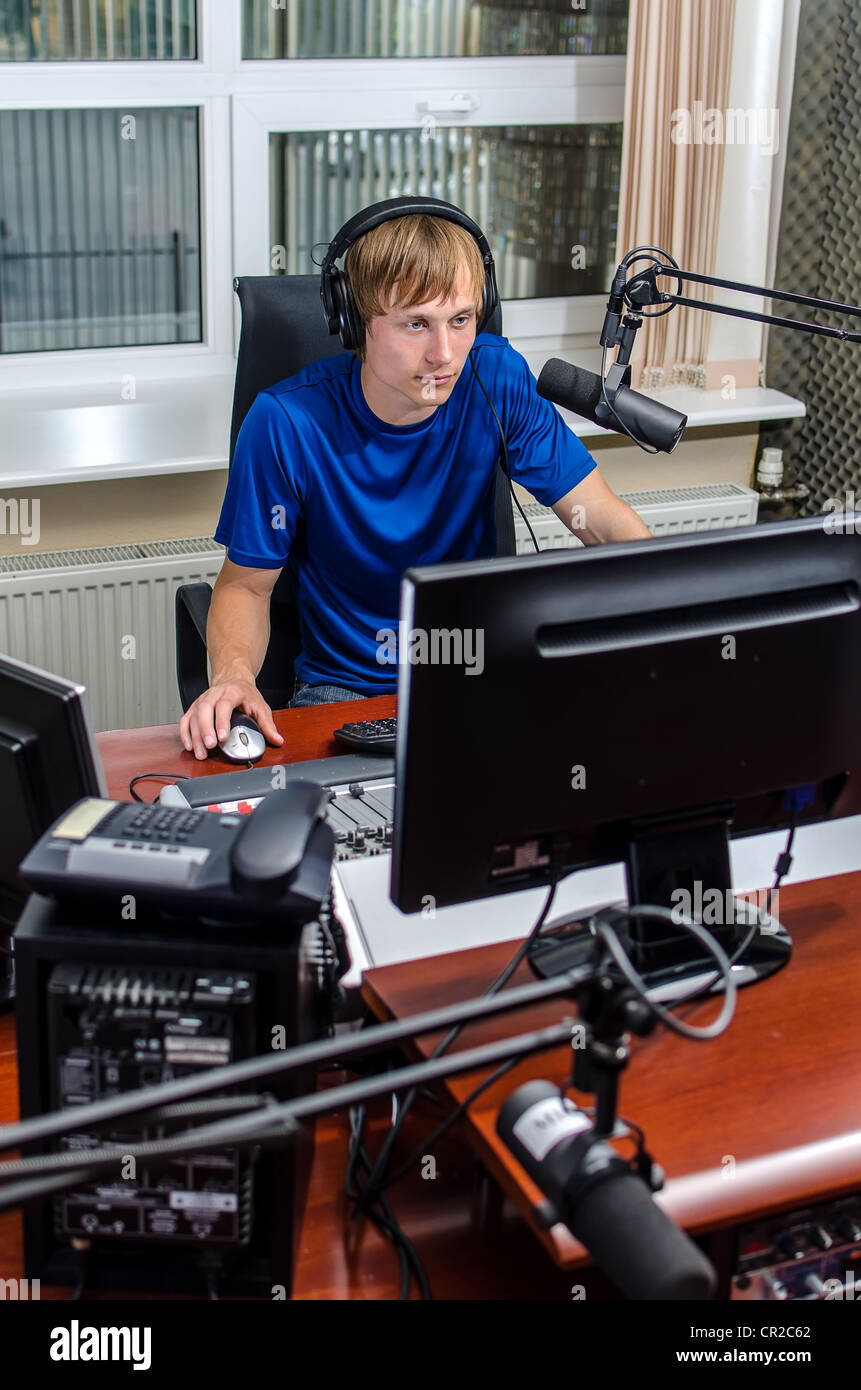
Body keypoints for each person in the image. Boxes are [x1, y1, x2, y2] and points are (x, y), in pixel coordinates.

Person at [180, 204, 651, 760]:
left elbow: (599, 519)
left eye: (461, 320)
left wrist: (670, 612)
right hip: (344, 694)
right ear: (357, 322)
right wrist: (234, 675)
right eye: (415, 324)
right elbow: (246, 586)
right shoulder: (286, 422)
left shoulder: (497, 379)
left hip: (481, 675)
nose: (444, 354)